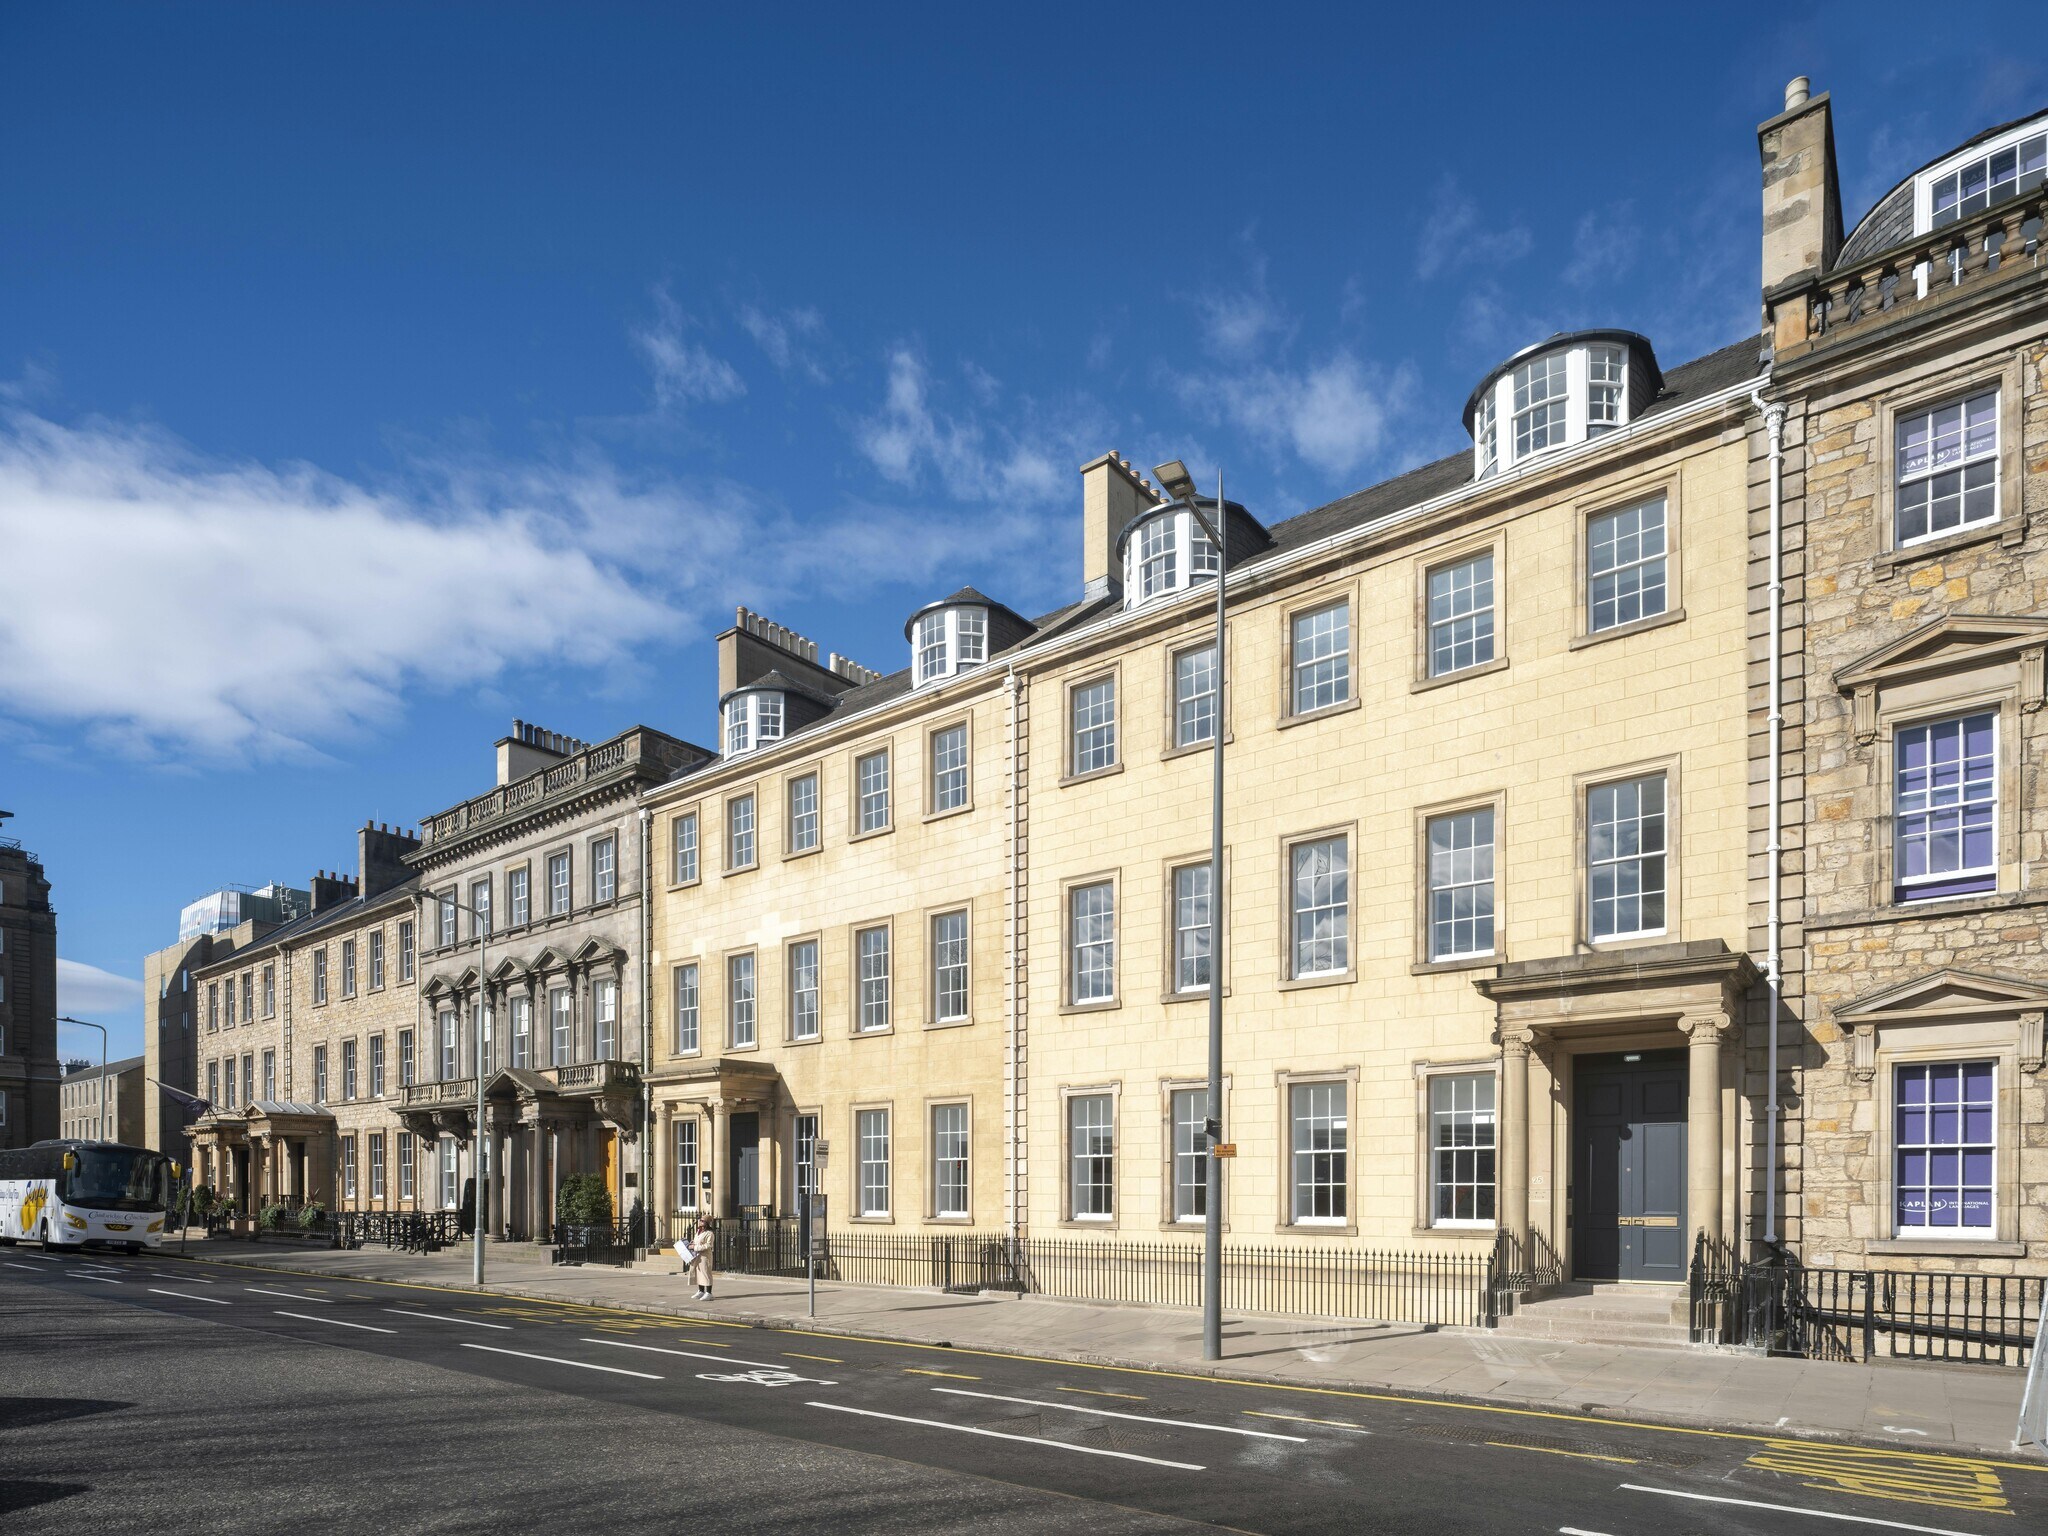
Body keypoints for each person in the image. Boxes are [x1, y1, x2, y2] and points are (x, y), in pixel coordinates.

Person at [690, 1213, 716, 1300]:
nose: (700, 1222)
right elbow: (696, 1241)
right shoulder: (698, 1231)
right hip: (697, 1255)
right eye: (700, 1220)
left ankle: (709, 1293)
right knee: (699, 1273)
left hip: (705, 1256)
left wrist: (695, 1247)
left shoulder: (710, 1233)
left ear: (707, 1223)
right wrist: (692, 1243)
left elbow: (708, 1245)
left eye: (702, 1221)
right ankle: (701, 1291)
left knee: (706, 1273)